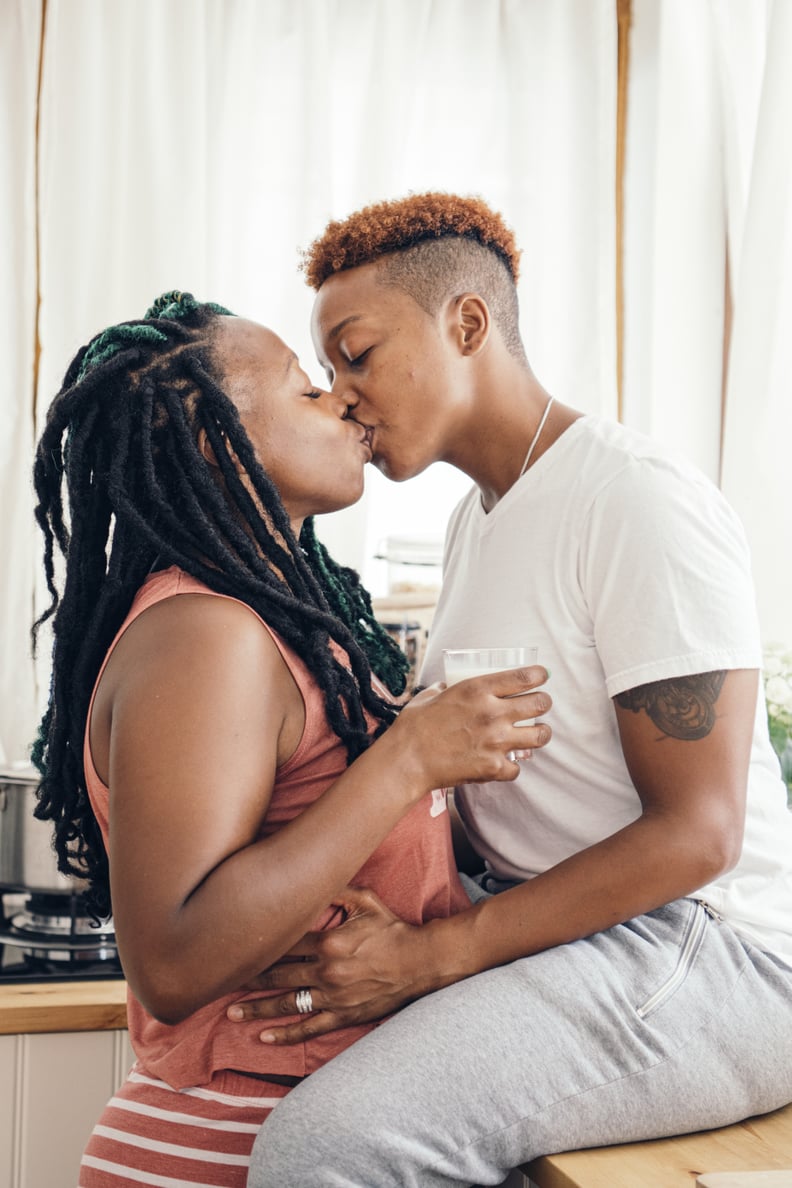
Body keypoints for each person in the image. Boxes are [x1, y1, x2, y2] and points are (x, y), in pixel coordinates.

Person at [240, 194, 792, 1187]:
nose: (344, 394)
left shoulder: (634, 499)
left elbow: (700, 835)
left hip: (714, 947)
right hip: (562, 929)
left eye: (357, 353)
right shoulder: (477, 522)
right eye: (327, 373)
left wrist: (430, 958)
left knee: (324, 1150)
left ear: (466, 323)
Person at [30, 290, 551, 1187]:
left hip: (328, 1124)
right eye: (308, 390)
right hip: (236, 1141)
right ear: (209, 437)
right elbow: (174, 960)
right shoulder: (208, 635)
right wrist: (408, 758)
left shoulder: (292, 621)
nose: (345, 401)